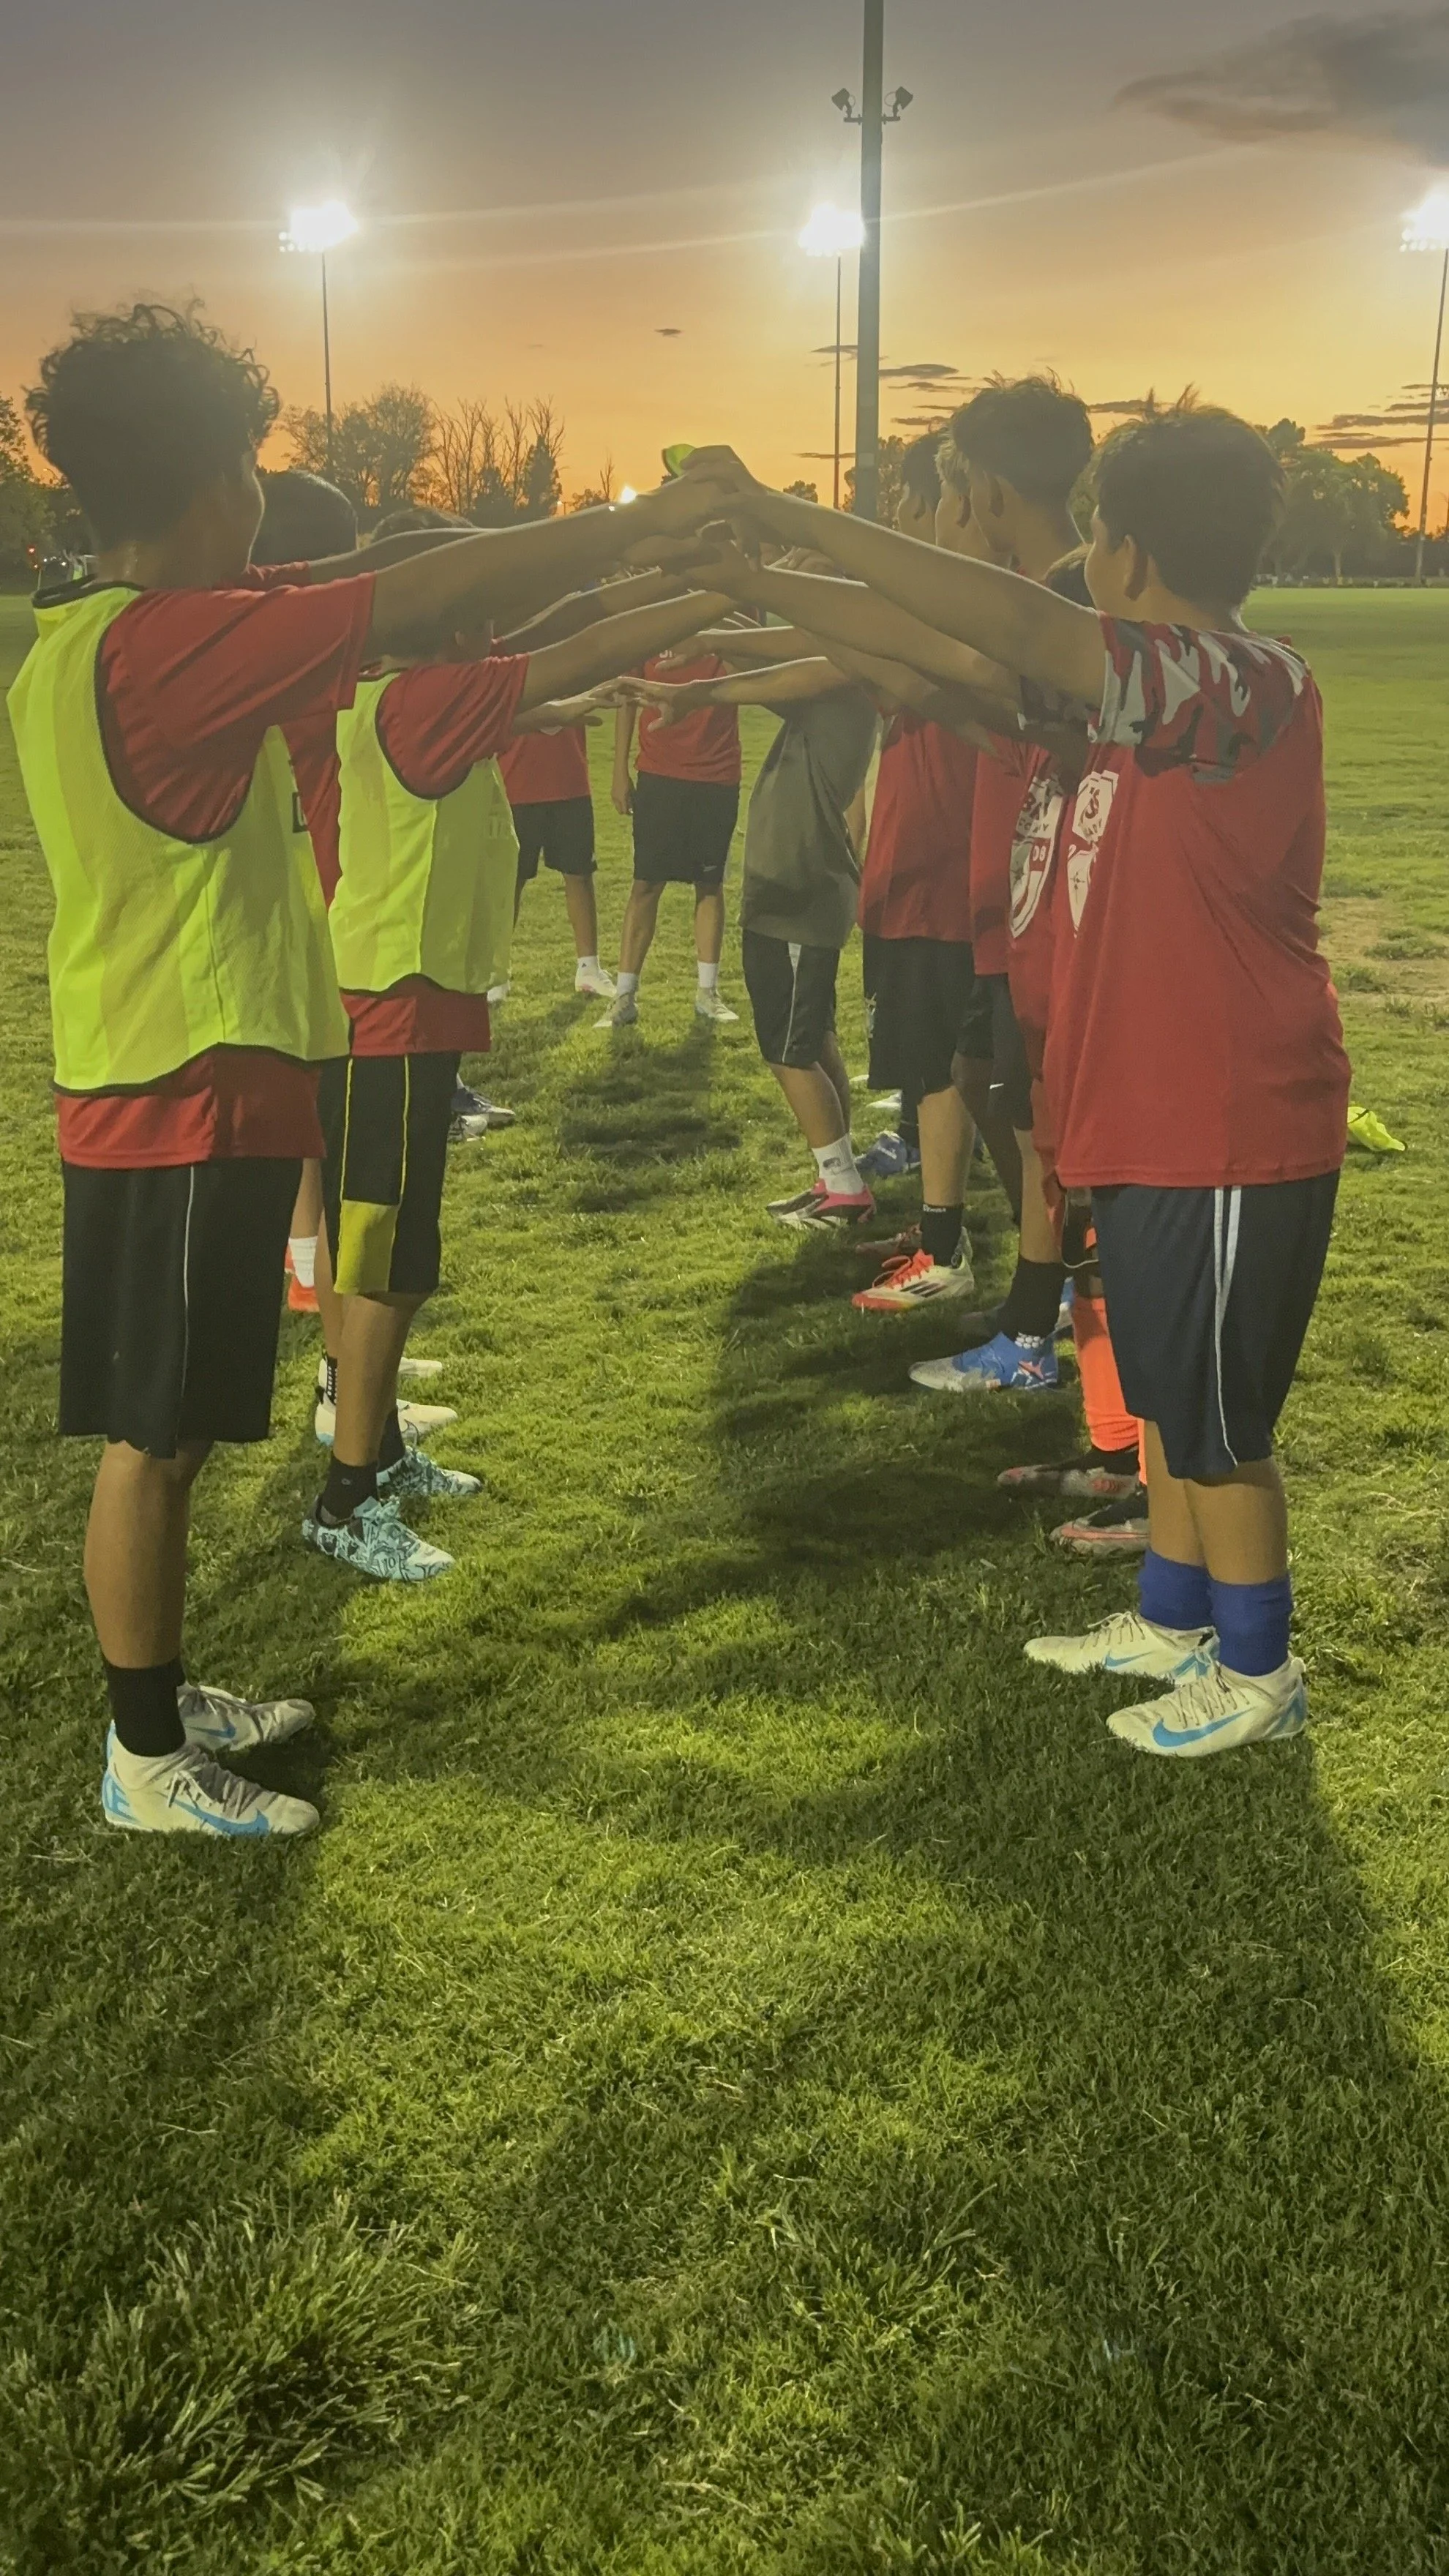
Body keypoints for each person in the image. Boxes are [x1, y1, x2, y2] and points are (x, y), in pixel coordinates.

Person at [8, 299, 723, 1838]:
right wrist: (639, 525)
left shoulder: (98, 634)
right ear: (216, 480)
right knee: (157, 1435)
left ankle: (163, 1697)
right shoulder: (161, 651)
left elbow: (353, 582)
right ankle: (143, 1759)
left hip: (178, 1078)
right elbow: (405, 589)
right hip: (178, 1088)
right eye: (252, 464)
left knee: (179, 1426)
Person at [680, 399, 1349, 1756]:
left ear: (1126, 551)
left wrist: (787, 517)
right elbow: (939, 670)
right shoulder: (1114, 710)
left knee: (1219, 1424)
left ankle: (1262, 1676)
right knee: (1166, 1402)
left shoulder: (1240, 684)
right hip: (1145, 1113)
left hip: (1224, 1123)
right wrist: (754, 575)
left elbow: (1024, 634)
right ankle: (1175, 1620)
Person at [307, 574, 734, 1583]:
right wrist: (701, 587)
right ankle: (344, 1497)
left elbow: (540, 660)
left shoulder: (400, 693)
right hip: (388, 1009)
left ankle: (381, 1452)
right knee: (384, 1260)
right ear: (453, 629)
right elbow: (570, 638)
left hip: (401, 998)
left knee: (389, 1250)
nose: (498, 630)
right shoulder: (421, 698)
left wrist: (558, 703)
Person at [625, 648, 879, 1229]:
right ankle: (836, 1174)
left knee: (788, 1049)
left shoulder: (842, 678)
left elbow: (771, 674)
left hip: (797, 890)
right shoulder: (834, 690)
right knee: (811, 1039)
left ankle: (844, 1187)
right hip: (798, 886)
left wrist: (697, 679)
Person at [851, 433, 981, 1309]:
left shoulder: (958, 610)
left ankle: (945, 1247)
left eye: (910, 498)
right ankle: (942, 1228)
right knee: (932, 1064)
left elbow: (862, 664)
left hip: (943, 880)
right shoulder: (940, 604)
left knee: (946, 1068)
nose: (899, 515)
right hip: (914, 874)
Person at [602, 639, 743, 1030]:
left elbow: (746, 677)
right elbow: (629, 695)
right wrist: (619, 771)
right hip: (660, 773)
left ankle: (707, 993)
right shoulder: (656, 622)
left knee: (710, 884)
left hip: (716, 773)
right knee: (646, 883)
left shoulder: (730, 616)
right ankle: (624, 995)